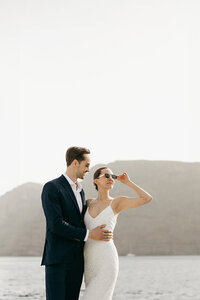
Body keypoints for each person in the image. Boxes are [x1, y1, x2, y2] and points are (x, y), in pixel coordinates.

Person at [41, 147, 113, 300]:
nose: (88, 169)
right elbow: (56, 224)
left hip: (77, 261)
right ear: (75, 163)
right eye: (86, 165)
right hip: (58, 260)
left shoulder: (81, 191)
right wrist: (89, 234)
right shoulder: (52, 187)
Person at [83, 167, 153, 300]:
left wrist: (128, 182)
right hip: (89, 261)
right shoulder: (87, 203)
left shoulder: (116, 202)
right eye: (107, 175)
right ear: (96, 181)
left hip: (107, 260)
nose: (111, 178)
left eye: (113, 177)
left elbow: (146, 198)